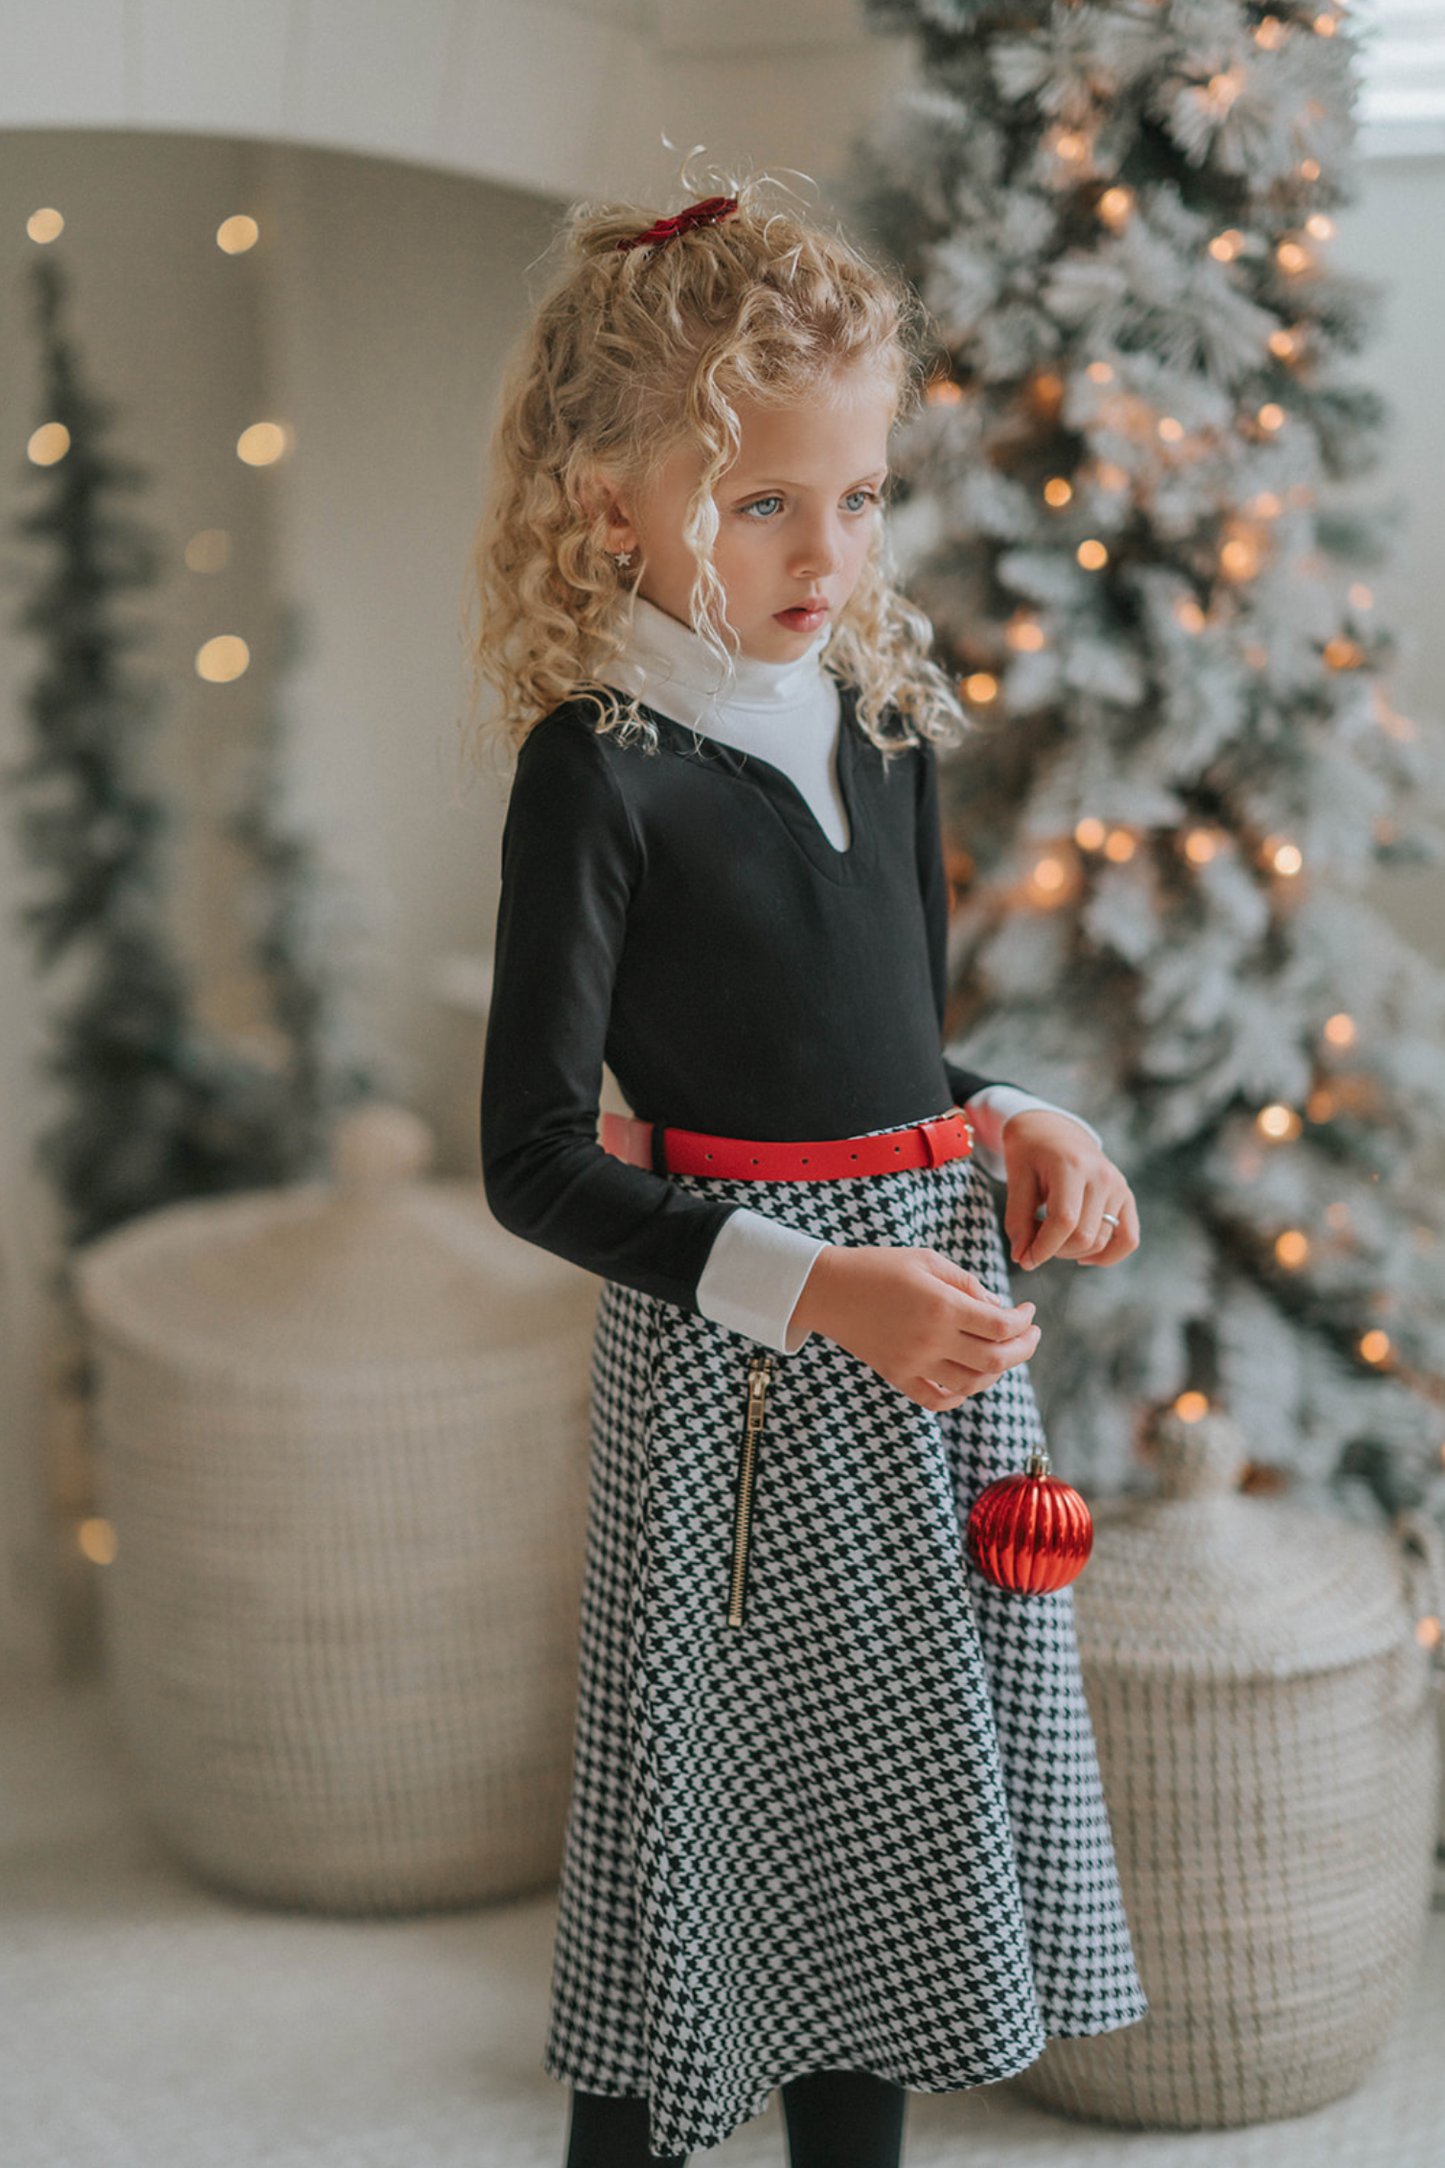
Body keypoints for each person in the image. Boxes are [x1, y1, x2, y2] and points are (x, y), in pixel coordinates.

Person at [471, 183, 1146, 2168]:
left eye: (855, 500)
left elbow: (881, 1055)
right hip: (739, 1371)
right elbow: (528, 1159)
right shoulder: (595, 771)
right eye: (759, 503)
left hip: (926, 1324)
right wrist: (815, 1284)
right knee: (696, 1827)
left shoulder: (879, 720)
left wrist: (1015, 1111)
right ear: (613, 504)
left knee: (881, 1819)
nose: (823, 551)